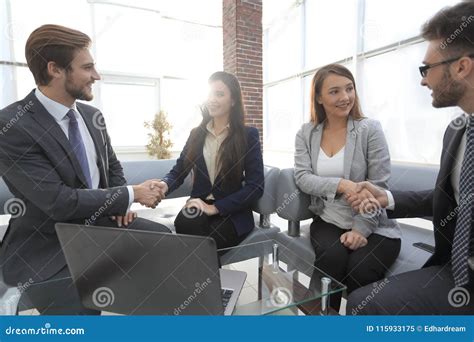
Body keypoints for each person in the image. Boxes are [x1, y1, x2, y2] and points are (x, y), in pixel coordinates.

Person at [0, 24, 170, 315]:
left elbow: (112, 168)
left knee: (169, 247)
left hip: (99, 226)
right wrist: (132, 194)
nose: (97, 76)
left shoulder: (92, 117)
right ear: (55, 70)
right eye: (88, 67)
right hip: (48, 243)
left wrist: (122, 202)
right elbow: (58, 202)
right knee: (81, 310)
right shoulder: (12, 125)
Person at [346, 1, 474, 314]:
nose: (422, 80)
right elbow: (451, 201)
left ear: (461, 67)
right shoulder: (457, 131)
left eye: (426, 68)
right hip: (455, 272)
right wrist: (385, 198)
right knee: (362, 301)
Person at [294, 64, 401, 311]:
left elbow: (378, 186)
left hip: (375, 225)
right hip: (328, 219)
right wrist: (341, 184)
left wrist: (361, 230)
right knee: (331, 260)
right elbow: (302, 177)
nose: (345, 97)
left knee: (360, 271)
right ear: (319, 97)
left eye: (349, 88)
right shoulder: (306, 133)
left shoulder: (369, 129)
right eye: (334, 92)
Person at [153, 71, 264, 250]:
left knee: (203, 240)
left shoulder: (248, 135)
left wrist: (215, 208)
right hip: (198, 204)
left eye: (219, 94)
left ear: (233, 100)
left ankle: (197, 278)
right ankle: (209, 278)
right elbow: (179, 170)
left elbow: (255, 187)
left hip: (232, 211)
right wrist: (164, 185)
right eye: (210, 93)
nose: (212, 99)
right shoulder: (196, 134)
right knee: (187, 224)